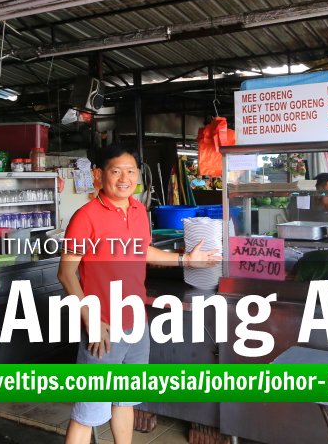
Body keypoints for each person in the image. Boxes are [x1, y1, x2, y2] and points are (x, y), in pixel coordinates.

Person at [58, 144, 220, 444]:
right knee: (88, 413)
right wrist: (91, 320)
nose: (124, 178)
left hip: (137, 325)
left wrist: (186, 259)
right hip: (103, 326)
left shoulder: (137, 210)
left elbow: (143, 251)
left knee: (126, 401)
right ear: (98, 175)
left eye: (130, 171)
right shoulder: (86, 216)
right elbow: (66, 273)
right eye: (116, 170)